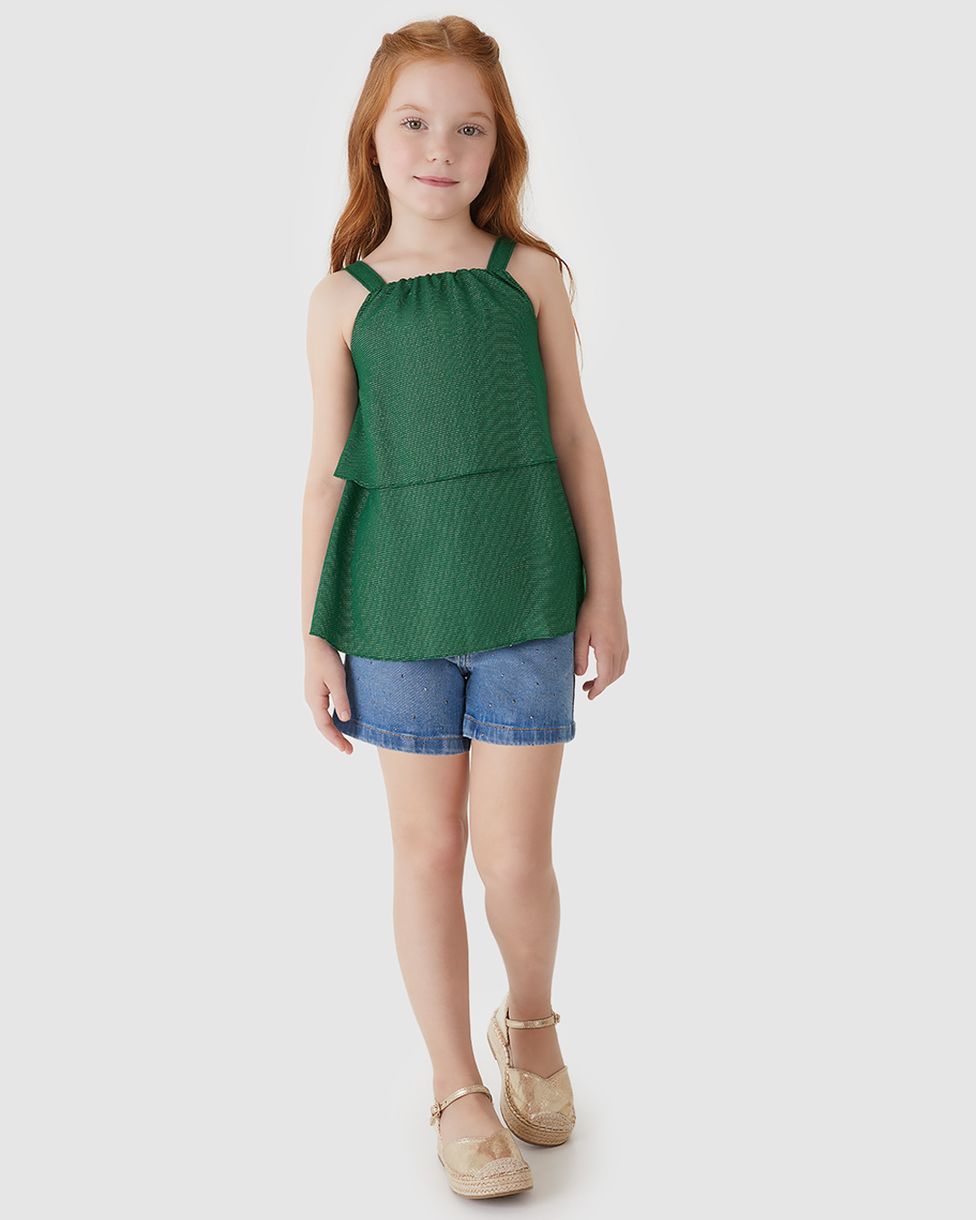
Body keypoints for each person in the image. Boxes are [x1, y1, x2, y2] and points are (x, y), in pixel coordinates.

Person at [300, 15, 628, 1198]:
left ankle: (527, 1019)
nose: (440, 147)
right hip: (392, 610)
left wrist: (606, 588)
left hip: (526, 594)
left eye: (468, 128)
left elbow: (575, 437)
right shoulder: (342, 301)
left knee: (512, 853)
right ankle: (455, 1085)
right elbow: (329, 474)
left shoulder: (525, 278)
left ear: (499, 146)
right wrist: (314, 629)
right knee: (426, 848)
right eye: (414, 122)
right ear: (373, 138)